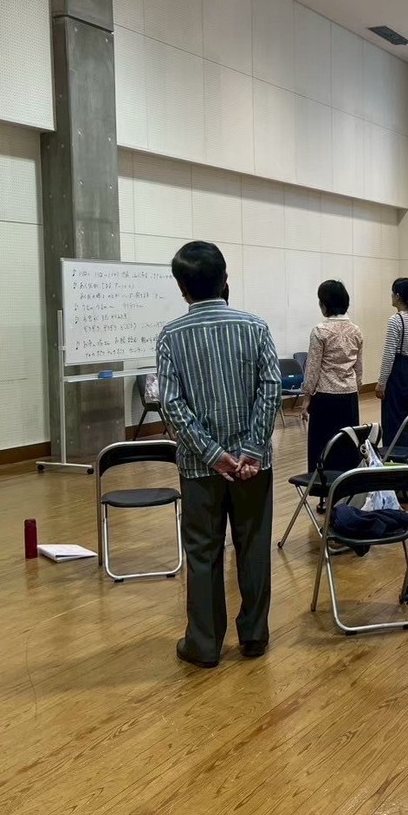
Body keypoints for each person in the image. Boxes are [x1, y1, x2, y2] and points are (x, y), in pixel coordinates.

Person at [158, 241, 281, 668]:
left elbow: (171, 404)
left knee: (203, 552)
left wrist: (213, 455)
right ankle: (254, 636)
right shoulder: (256, 328)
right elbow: (271, 389)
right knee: (254, 546)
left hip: (199, 468)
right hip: (253, 467)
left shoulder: (171, 336)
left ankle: (205, 643)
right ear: (225, 279)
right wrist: (250, 450)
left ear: (182, 288)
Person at [301, 280, 363, 475]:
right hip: (349, 395)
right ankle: (347, 484)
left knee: (323, 446)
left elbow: (312, 367)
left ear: (324, 304)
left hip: (325, 397)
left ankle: (323, 487)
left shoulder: (321, 331)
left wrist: (306, 397)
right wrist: (356, 387)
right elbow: (358, 368)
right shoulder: (356, 330)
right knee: (347, 444)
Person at [376, 277, 408, 449]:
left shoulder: (395, 320)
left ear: (397, 295)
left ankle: (395, 454)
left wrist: (381, 383)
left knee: (394, 418)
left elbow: (389, 355)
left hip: (397, 371)